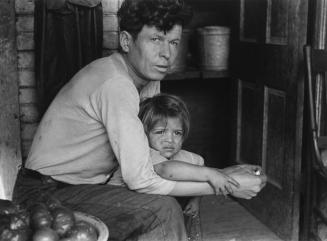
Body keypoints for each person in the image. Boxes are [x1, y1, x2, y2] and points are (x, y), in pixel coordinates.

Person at [13, 0, 267, 240]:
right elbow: (142, 179)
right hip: (45, 194)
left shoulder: (148, 81)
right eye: (155, 39)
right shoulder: (116, 83)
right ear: (126, 41)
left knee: (179, 190)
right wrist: (227, 186)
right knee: (163, 209)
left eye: (174, 42)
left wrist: (218, 174)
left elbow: (153, 157)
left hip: (85, 186)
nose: (166, 53)